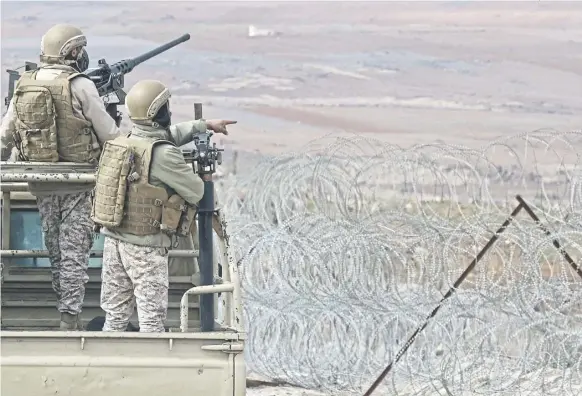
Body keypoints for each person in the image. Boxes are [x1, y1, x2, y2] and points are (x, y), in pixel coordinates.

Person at [0, 24, 121, 330]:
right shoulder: (80, 85)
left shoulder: (26, 83)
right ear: (72, 52)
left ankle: (66, 312)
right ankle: (70, 320)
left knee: (56, 249)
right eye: (80, 48)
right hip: (78, 183)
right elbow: (109, 135)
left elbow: (6, 134)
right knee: (74, 254)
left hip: (42, 181)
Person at [91, 79, 236, 332]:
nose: (168, 112)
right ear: (157, 113)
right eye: (165, 108)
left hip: (114, 242)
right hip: (144, 247)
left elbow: (164, 137)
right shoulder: (164, 155)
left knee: (114, 317)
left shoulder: (125, 142)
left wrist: (203, 125)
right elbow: (197, 192)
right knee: (151, 321)